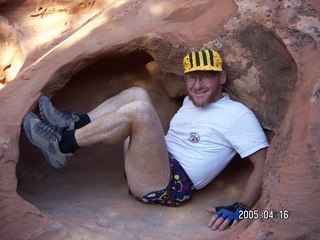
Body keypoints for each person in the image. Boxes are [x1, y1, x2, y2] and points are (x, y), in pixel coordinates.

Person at [22, 49, 269, 231]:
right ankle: (74, 123)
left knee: (140, 109)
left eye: (207, 77)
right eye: (192, 78)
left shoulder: (237, 115)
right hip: (151, 162)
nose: (197, 85)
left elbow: (263, 162)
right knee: (137, 93)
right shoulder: (190, 100)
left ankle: (62, 145)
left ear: (222, 78)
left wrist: (243, 205)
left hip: (169, 187)